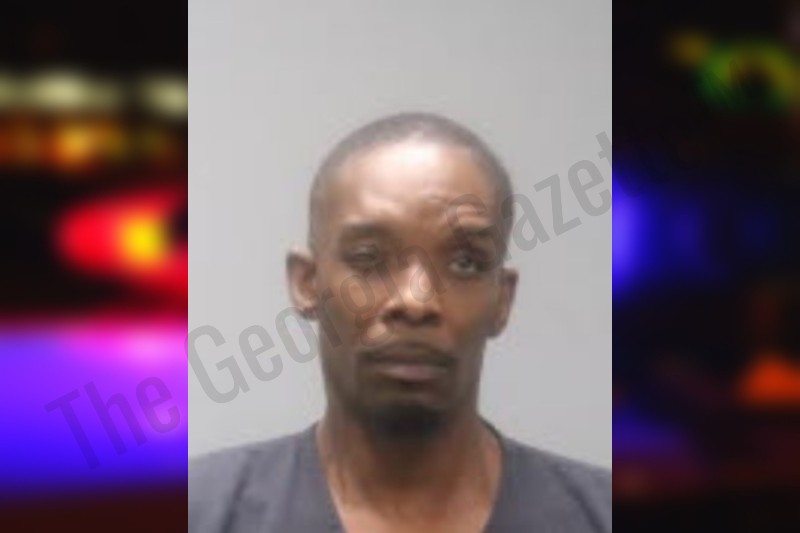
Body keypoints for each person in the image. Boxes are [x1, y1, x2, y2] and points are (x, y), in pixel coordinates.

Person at [189, 112, 611, 532]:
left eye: (465, 263)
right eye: (368, 258)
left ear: (502, 300)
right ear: (307, 284)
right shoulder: (200, 510)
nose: (415, 302)